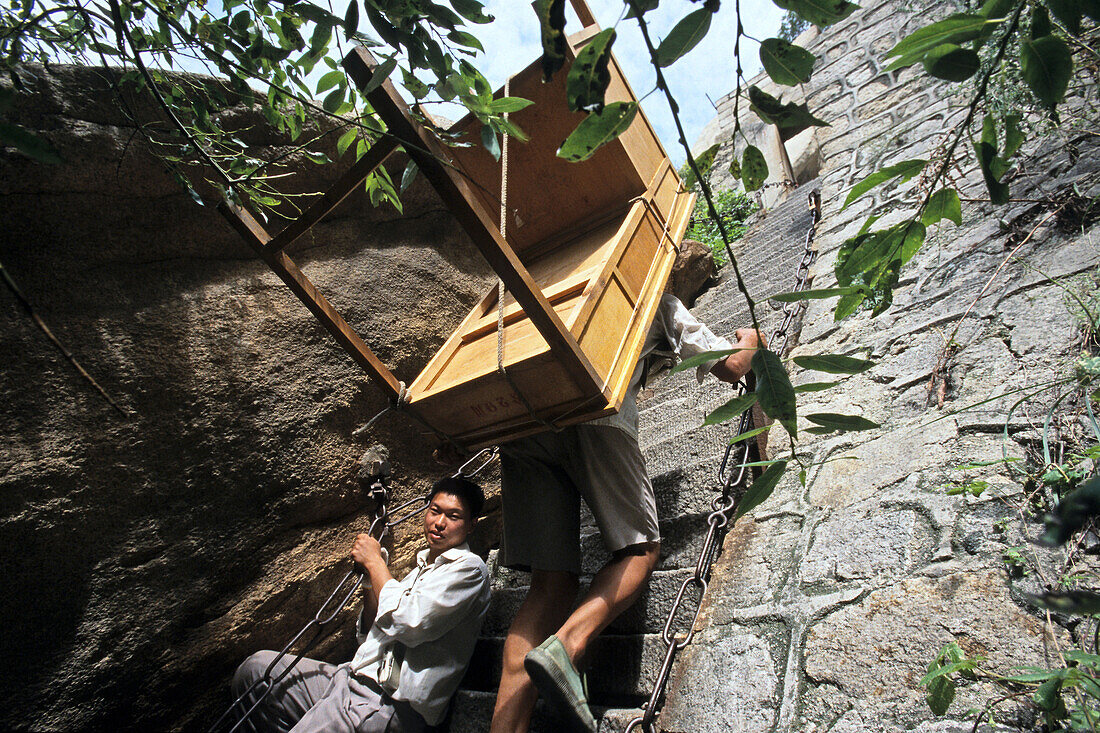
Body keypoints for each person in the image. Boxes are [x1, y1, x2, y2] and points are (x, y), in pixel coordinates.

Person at [489, 294, 763, 733]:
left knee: (549, 584)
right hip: (596, 415)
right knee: (640, 550)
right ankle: (567, 644)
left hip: (523, 429)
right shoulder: (650, 293)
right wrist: (751, 343)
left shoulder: (547, 289)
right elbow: (729, 366)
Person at [232, 476, 491, 733]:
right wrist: (369, 583)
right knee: (256, 672)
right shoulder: (420, 571)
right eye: (435, 511)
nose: (440, 523)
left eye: (453, 516)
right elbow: (372, 630)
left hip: (385, 702)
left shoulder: (469, 570)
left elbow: (409, 623)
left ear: (471, 525)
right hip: (348, 679)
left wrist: (376, 564)